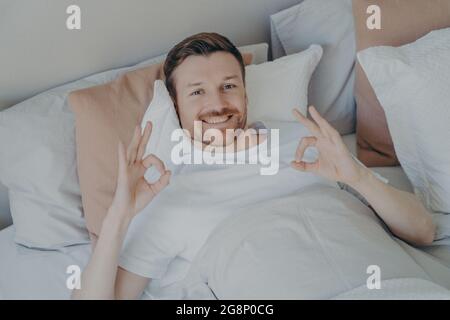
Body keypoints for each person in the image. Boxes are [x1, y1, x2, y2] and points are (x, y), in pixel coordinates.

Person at [72, 33, 435, 300]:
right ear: (176, 105)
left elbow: (423, 232)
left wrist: (359, 179)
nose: (217, 104)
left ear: (246, 93)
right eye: (197, 91)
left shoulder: (306, 139)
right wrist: (119, 216)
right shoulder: (166, 193)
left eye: (228, 85)